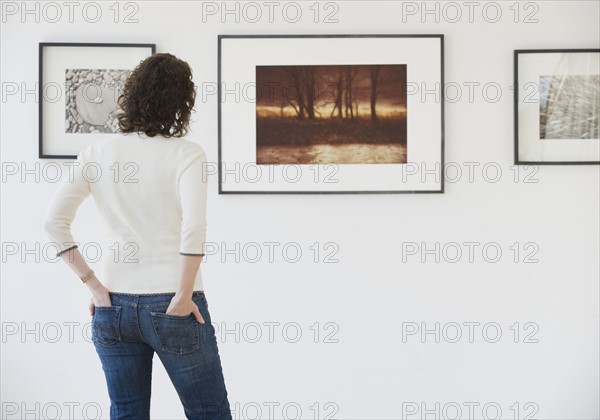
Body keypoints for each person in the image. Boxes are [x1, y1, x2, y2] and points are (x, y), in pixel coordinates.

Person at [43, 53, 232, 419]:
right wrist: (182, 296)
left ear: (131, 95)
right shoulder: (187, 154)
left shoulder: (95, 152)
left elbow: (53, 223)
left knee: (126, 413)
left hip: (112, 306)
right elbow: (194, 227)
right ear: (182, 101)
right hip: (173, 303)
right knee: (209, 412)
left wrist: (95, 287)